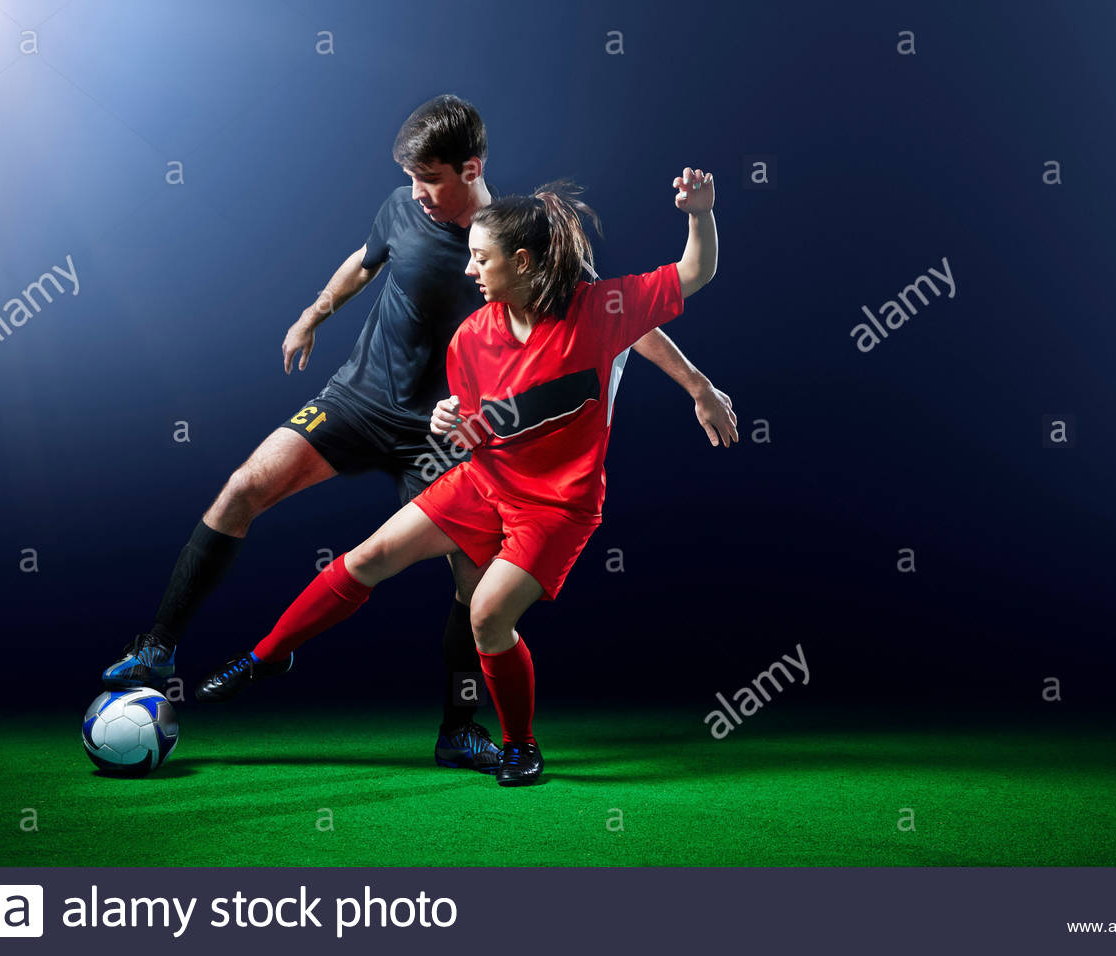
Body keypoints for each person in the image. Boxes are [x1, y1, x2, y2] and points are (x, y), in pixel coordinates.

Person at [100, 95, 736, 775]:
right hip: (369, 402)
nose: (417, 194)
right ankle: (188, 648)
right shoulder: (423, 243)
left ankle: (464, 731)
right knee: (257, 493)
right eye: (411, 179)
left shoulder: (544, 263)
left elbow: (635, 314)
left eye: (430, 179)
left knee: (476, 596)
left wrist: (698, 383)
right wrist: (316, 314)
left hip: (493, 463)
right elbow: (368, 263)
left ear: (472, 169)